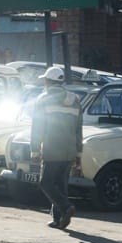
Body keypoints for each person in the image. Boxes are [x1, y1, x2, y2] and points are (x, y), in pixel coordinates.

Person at [30, 66, 82, 230]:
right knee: (60, 184)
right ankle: (58, 219)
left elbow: (38, 127)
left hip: (52, 149)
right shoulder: (75, 100)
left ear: (47, 81)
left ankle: (66, 207)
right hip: (69, 150)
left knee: (45, 183)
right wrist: (78, 153)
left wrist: (35, 149)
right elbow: (78, 128)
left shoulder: (43, 99)